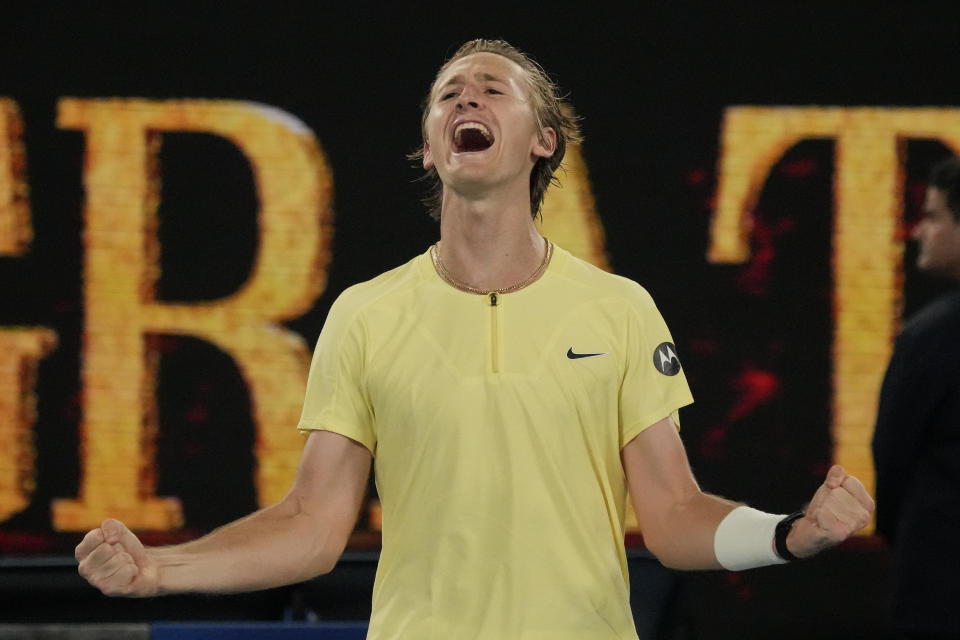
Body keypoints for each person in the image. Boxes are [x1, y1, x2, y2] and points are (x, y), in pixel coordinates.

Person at [76, 39, 874, 639]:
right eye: (448, 95)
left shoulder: (619, 309)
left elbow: (671, 517)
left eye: (493, 89)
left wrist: (788, 536)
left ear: (543, 141)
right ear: (430, 147)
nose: (467, 100)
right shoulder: (366, 313)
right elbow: (314, 527)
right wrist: (159, 570)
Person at [872, 155, 960, 640]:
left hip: (941, 588)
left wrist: (903, 534)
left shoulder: (930, 340)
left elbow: (893, 457)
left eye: (932, 216)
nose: (918, 232)